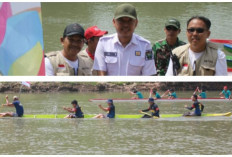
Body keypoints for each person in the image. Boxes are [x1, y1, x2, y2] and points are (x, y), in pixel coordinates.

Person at [93, 3, 156, 76]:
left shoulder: (146, 46)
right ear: (114, 22)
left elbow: (148, 77)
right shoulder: (103, 43)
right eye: (121, 20)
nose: (125, 25)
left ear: (136, 23)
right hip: (109, 87)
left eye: (130, 21)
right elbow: (101, 75)